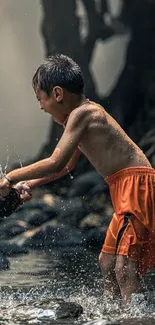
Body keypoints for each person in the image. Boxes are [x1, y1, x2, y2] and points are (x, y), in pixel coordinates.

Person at [0, 54, 155, 305]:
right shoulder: (80, 117)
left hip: (135, 187)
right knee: (107, 262)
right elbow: (65, 167)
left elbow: (56, 161)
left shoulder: (84, 113)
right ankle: (114, 313)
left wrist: (10, 176)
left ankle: (139, 319)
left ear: (58, 94)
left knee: (124, 266)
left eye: (41, 98)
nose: (41, 106)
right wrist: (30, 184)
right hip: (124, 188)